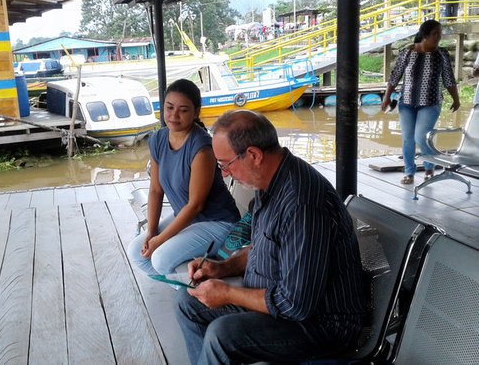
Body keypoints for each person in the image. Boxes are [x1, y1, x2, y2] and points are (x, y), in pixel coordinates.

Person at [174, 110, 366, 365]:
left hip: (322, 323)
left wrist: (228, 294)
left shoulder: (302, 204)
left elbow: (294, 304)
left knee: (223, 336)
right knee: (188, 301)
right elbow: (264, 248)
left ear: (253, 155)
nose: (224, 175)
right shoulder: (269, 182)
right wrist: (221, 268)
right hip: (276, 300)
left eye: (225, 165)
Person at [127, 79, 240, 275]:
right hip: (186, 217)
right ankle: (188, 290)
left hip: (217, 223)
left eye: (183, 110)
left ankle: (196, 297)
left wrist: (159, 240)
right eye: (169, 107)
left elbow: (195, 205)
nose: (174, 115)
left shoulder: (202, 148)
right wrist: (152, 231)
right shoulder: (158, 139)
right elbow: (155, 190)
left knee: (161, 258)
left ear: (196, 112)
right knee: (137, 252)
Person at [382, 19, 460, 185]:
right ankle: (409, 173)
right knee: (407, 139)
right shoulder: (408, 52)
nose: (438, 37)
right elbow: (395, 76)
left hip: (430, 103)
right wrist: (387, 97)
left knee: (420, 137)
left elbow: (448, 79)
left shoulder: (441, 54)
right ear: (425, 35)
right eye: (435, 34)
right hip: (407, 103)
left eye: (440, 33)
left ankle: (430, 166)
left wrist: (456, 98)